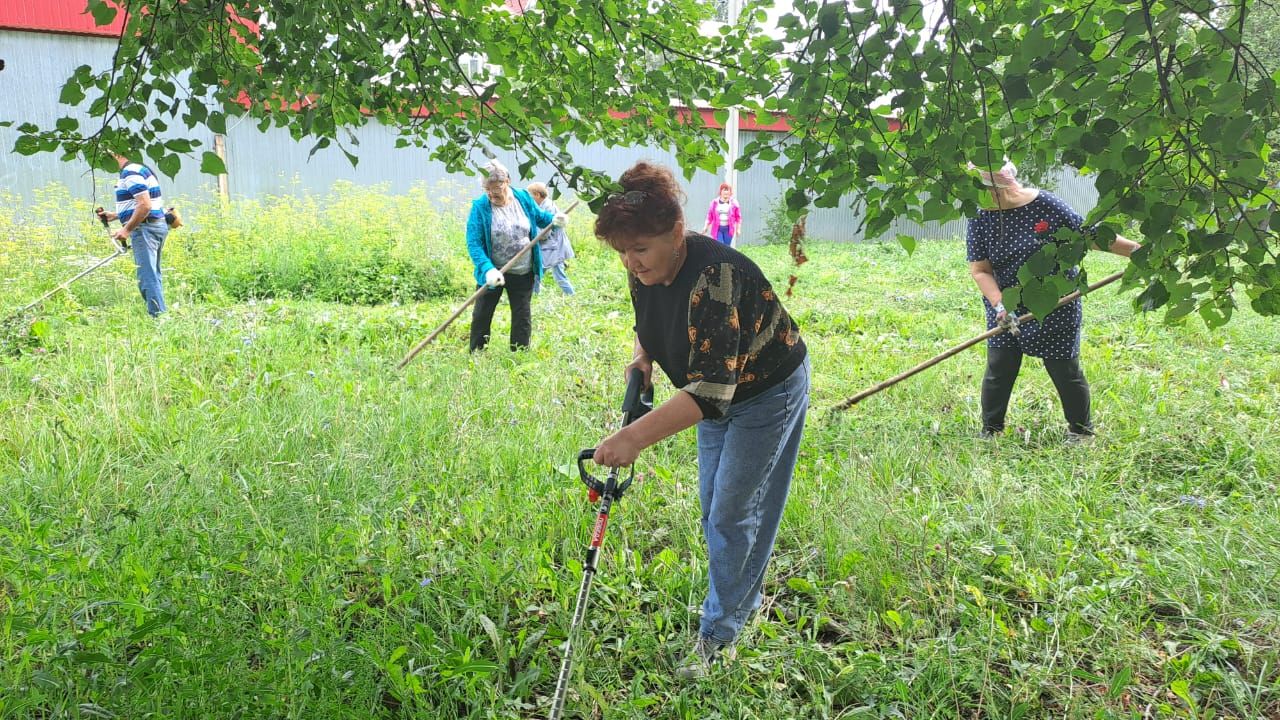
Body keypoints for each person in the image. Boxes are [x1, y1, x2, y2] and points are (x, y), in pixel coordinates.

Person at [591, 162, 809, 679]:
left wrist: (632, 438)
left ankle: (721, 631)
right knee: (716, 506)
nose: (631, 262)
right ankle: (737, 600)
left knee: (734, 511)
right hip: (707, 388)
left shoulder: (717, 276)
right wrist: (643, 355)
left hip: (764, 390)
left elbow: (713, 391)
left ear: (675, 233)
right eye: (622, 252)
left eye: (640, 250)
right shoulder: (644, 266)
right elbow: (651, 318)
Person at [965, 161, 1140, 442]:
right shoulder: (979, 217)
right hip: (1005, 305)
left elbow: (1089, 235)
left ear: (996, 189)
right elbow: (981, 270)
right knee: (999, 368)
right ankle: (991, 431)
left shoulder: (1046, 204)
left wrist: (1138, 252)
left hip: (1055, 302)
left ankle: (1081, 432)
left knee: (1065, 370)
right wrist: (1000, 306)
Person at [465, 161, 565, 351]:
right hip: (494, 273)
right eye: (488, 188)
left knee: (522, 315)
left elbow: (540, 217)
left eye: (497, 187)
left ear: (508, 181)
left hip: (523, 270)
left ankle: (519, 354)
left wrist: (555, 220)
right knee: (482, 314)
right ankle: (477, 352)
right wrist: (487, 270)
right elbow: (474, 243)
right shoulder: (480, 207)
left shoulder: (522, 198)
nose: (492, 193)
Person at [96, 152, 170, 317]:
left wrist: (127, 229)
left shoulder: (130, 172)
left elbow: (145, 205)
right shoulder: (138, 170)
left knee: (146, 277)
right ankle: (160, 315)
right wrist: (116, 215)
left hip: (145, 229)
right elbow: (142, 202)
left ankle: (159, 319)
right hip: (154, 226)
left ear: (115, 155)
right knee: (152, 275)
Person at [526, 182, 575, 295]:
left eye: (531, 196)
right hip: (551, 246)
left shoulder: (549, 207)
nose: (529, 199)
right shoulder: (542, 205)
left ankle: (534, 294)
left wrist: (531, 236)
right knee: (554, 273)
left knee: (538, 271)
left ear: (537, 195)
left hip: (553, 246)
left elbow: (545, 233)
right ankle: (535, 294)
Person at [701, 182, 742, 246]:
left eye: (727, 190)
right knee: (720, 246)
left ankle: (727, 256)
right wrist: (705, 227)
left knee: (727, 247)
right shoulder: (714, 203)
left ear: (730, 192)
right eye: (724, 190)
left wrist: (738, 229)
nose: (726, 192)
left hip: (729, 230)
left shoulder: (734, 203)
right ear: (720, 192)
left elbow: (738, 218)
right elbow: (709, 216)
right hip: (717, 230)